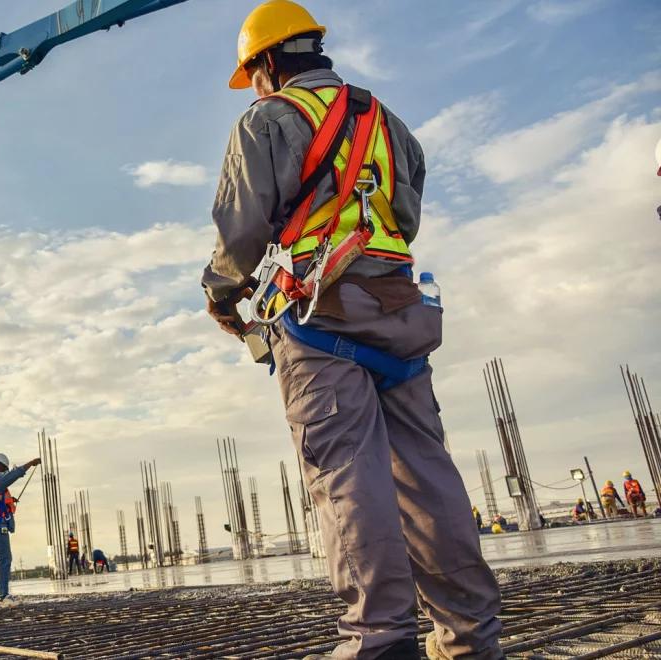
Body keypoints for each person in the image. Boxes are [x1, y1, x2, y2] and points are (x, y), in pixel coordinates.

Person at [202, 3, 503, 658]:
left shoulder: (266, 121)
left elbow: (241, 234)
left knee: (347, 476)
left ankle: (379, 640)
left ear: (269, 62)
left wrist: (223, 296)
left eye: (252, 71)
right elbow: (405, 217)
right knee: (429, 477)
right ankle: (471, 639)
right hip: (401, 315)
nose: (253, 85)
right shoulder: (387, 123)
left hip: (318, 319)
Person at [0, 452, 40, 607]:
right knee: (5, 559)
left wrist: (9, 501)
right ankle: (3, 597)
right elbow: (13, 475)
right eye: (4, 469)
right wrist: (30, 463)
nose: (4, 472)